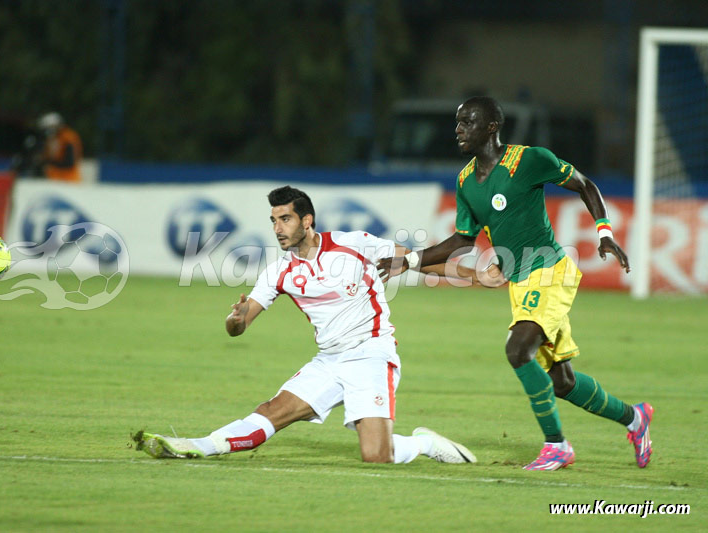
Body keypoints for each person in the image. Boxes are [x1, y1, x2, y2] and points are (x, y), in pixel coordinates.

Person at [378, 96, 653, 471]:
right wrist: (408, 261)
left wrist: (604, 232)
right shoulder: (464, 182)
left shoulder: (529, 160)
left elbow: (585, 185)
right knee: (562, 382)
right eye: (458, 123)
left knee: (517, 349)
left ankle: (557, 445)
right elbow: (461, 241)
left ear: (491, 127)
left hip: (550, 271)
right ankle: (635, 418)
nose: (458, 130)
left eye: (468, 123)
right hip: (521, 283)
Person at [134, 185, 484, 464]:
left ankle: (422, 444)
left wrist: (475, 274)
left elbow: (418, 261)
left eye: (285, 219)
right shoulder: (279, 272)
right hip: (328, 361)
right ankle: (196, 446)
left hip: (371, 355)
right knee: (272, 412)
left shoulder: (354, 244)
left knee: (376, 456)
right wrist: (235, 319)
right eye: (273, 220)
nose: (277, 229)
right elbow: (240, 325)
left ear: (307, 220)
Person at [36, 112, 82, 182]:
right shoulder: (50, 140)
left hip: (69, 179)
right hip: (54, 178)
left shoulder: (68, 137)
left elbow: (70, 162)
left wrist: (48, 162)